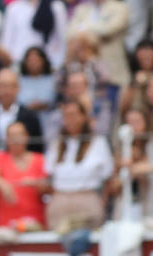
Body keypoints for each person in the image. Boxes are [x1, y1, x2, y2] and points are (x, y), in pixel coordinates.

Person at [45, 98, 114, 230]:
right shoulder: (56, 144)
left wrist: (102, 201)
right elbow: (49, 176)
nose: (70, 120)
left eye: (74, 115)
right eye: (66, 116)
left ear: (84, 117)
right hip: (61, 198)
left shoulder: (98, 142)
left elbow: (108, 178)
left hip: (87, 198)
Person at [69, 0, 132, 89]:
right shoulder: (81, 9)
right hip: (85, 74)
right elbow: (70, 33)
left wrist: (83, 29)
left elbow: (109, 29)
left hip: (113, 72)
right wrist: (92, 30)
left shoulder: (120, 7)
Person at [1, 0, 67, 68]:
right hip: (20, 66)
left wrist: (59, 63)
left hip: (49, 65)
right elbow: (7, 42)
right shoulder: (13, 8)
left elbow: (63, 39)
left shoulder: (56, 6)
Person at [0, 120, 47, 229]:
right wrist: (2, 184)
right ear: (6, 139)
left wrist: (36, 183)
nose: (16, 139)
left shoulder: (40, 159)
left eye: (19, 135)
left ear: (26, 137)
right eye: (12, 135)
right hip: (7, 222)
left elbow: (48, 188)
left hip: (34, 221)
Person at [0, 67, 42, 150]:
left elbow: (36, 147)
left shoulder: (30, 117)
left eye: (11, 86)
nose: (6, 91)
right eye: (2, 86)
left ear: (18, 88)